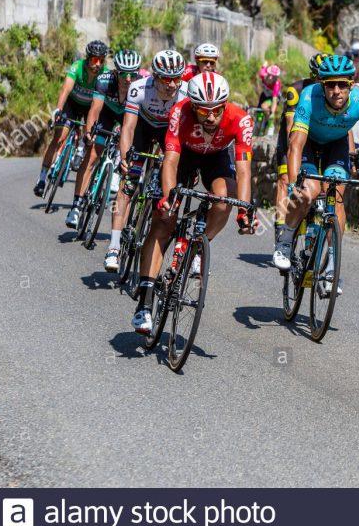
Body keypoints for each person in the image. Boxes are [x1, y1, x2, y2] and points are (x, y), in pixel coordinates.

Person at [131, 72, 256, 333]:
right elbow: (171, 160)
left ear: (225, 105)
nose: (211, 117)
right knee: (164, 223)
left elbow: (243, 170)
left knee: (224, 198)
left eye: (217, 110)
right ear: (192, 106)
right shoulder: (180, 112)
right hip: (184, 155)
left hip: (216, 158)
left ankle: (199, 245)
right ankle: (144, 302)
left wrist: (244, 211)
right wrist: (168, 198)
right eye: (203, 110)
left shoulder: (241, 119)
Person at [272, 55, 359, 295]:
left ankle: (332, 266)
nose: (336, 90)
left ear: (351, 85)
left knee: (336, 196)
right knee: (308, 191)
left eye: (342, 84)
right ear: (321, 85)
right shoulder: (309, 97)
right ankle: (285, 239)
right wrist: (293, 185)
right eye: (330, 85)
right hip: (308, 144)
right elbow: (295, 145)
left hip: (337, 146)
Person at [103, 50, 188, 272]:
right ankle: (113, 246)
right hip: (143, 126)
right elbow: (128, 127)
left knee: (167, 179)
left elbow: (184, 135)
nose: (172, 85)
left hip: (168, 131)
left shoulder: (186, 93)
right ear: (155, 77)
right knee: (128, 183)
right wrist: (124, 157)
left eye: (177, 78)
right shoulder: (139, 88)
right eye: (166, 79)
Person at [65, 49, 147, 229]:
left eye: (132, 74)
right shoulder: (104, 80)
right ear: (116, 71)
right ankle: (76, 206)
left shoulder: (142, 84)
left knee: (128, 148)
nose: (128, 79)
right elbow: (94, 110)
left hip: (128, 116)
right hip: (107, 115)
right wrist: (89, 132)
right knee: (93, 154)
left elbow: (136, 124)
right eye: (124, 73)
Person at [33, 40, 108, 197]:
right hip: (72, 105)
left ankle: (81, 148)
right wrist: (58, 110)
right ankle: (41, 179)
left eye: (101, 60)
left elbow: (100, 105)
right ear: (88, 59)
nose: (98, 64)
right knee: (59, 139)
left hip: (90, 108)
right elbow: (65, 89)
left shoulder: (104, 74)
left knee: (90, 137)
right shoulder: (77, 67)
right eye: (95, 59)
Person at [274, 53, 325, 242]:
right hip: (292, 134)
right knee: (285, 177)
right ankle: (280, 225)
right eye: (320, 76)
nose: (324, 81)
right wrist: (293, 151)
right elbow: (290, 128)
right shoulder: (296, 90)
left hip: (315, 136)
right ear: (312, 75)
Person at [257, 63, 282, 135]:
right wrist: (264, 65)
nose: (271, 78)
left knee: (264, 107)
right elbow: (263, 67)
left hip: (273, 97)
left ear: (276, 78)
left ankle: (270, 125)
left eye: (274, 77)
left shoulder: (276, 84)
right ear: (267, 73)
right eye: (270, 75)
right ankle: (259, 128)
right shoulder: (262, 74)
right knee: (259, 114)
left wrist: (272, 112)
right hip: (264, 94)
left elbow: (274, 100)